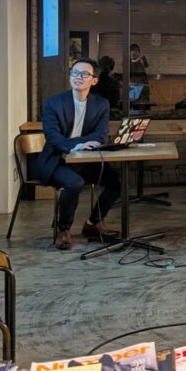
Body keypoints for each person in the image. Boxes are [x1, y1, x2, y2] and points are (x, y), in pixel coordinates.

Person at [31, 58, 123, 250]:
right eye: (74, 72)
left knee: (117, 182)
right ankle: (63, 229)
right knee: (74, 183)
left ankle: (93, 223)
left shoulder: (101, 104)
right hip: (56, 161)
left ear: (94, 80)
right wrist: (80, 144)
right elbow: (53, 137)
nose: (78, 77)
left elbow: (101, 135)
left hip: (84, 161)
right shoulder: (53, 103)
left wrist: (82, 145)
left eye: (84, 74)